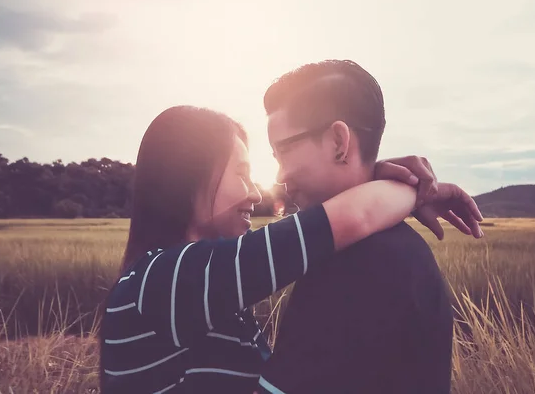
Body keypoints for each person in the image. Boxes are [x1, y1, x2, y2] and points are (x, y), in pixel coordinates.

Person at [98, 106, 481, 393]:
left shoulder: (200, 290)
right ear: (187, 175)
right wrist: (414, 187)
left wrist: (371, 176)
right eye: (242, 173)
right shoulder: (162, 280)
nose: (254, 191)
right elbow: (350, 218)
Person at [256, 60, 480, 394]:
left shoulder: (353, 263)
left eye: (284, 151)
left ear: (338, 142)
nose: (279, 177)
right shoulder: (400, 247)